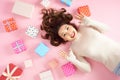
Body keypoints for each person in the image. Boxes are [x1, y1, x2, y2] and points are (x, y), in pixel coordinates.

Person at [40, 8, 120, 76]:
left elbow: (106, 29)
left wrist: (90, 22)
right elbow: (87, 70)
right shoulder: (74, 49)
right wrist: (73, 60)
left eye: (67, 28)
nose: (69, 33)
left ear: (70, 25)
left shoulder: (84, 26)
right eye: (64, 34)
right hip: (115, 67)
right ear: (64, 39)